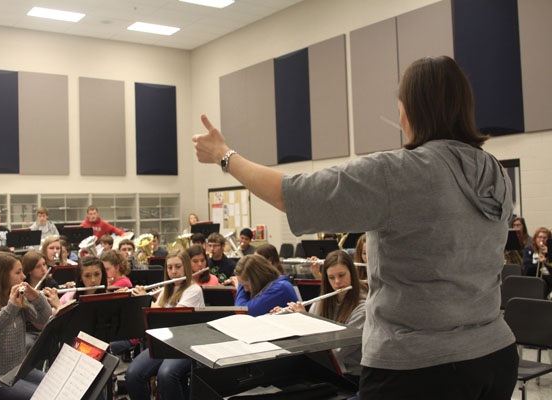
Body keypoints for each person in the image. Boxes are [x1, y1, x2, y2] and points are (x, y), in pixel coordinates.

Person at [193, 56, 518, 399]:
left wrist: (224, 155)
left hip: (419, 367)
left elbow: (291, 194)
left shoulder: (400, 172)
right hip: (494, 357)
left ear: (411, 110)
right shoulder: (495, 172)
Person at [274, 250, 366, 391]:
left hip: (349, 376)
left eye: (342, 275)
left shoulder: (363, 308)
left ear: (352, 274)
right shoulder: (323, 301)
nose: (337, 282)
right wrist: (289, 320)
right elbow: (308, 343)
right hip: (325, 372)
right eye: (331, 277)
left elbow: (335, 353)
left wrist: (306, 320)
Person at [0, 252, 52, 399]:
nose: (23, 277)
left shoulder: (17, 300)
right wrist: (11, 308)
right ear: (2, 276)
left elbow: (45, 320)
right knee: (43, 396)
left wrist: (36, 298)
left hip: (18, 371)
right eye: (18, 272)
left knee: (59, 387)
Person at [126, 249, 204, 400]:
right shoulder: (166, 290)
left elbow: (172, 318)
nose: (173, 272)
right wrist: (135, 298)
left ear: (186, 268)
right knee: (132, 374)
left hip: (185, 346)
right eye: (170, 268)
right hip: (164, 343)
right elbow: (153, 318)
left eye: (178, 267)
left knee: (166, 375)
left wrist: (147, 301)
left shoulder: (194, 290)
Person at [230, 254, 297, 316]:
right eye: (243, 286)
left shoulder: (280, 288)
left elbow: (242, 311)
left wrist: (239, 287)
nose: (246, 290)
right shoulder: (272, 284)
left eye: (246, 285)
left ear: (259, 279)